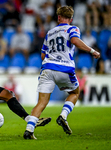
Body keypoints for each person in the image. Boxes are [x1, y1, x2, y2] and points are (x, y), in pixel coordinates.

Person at [23, 6, 100, 139]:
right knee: (75, 92)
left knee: (41, 102)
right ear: (71, 19)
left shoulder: (50, 32)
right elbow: (75, 41)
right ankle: (63, 116)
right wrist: (92, 51)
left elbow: (43, 55)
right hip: (64, 68)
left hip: (47, 68)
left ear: (58, 17)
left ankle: (29, 130)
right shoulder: (73, 29)